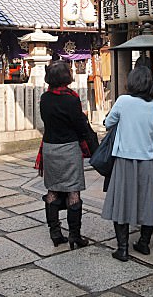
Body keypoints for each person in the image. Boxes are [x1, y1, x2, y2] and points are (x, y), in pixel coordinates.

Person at [101, 66, 153, 262]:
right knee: (148, 202)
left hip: (123, 159)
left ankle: (122, 249)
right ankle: (144, 243)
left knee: (122, 201)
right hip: (147, 160)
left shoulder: (123, 101)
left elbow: (108, 123)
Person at [39, 60, 91, 250]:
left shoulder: (45, 98)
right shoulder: (71, 99)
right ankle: (75, 236)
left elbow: (46, 121)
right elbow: (79, 125)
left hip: (50, 148)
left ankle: (55, 233)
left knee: (52, 190)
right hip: (69, 148)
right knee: (73, 191)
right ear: (66, 76)